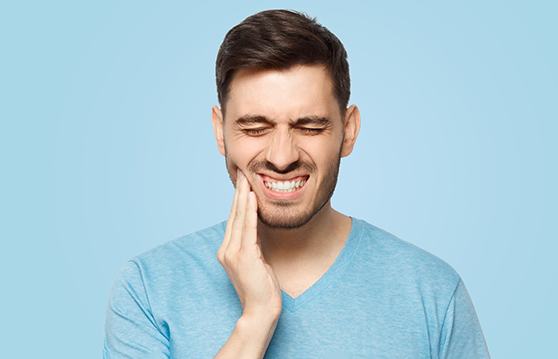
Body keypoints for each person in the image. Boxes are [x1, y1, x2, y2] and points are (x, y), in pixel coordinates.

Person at [103, 9, 490, 358]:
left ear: (349, 130)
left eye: (310, 127)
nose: (282, 156)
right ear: (219, 132)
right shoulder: (148, 290)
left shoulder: (433, 293)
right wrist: (256, 320)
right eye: (255, 128)